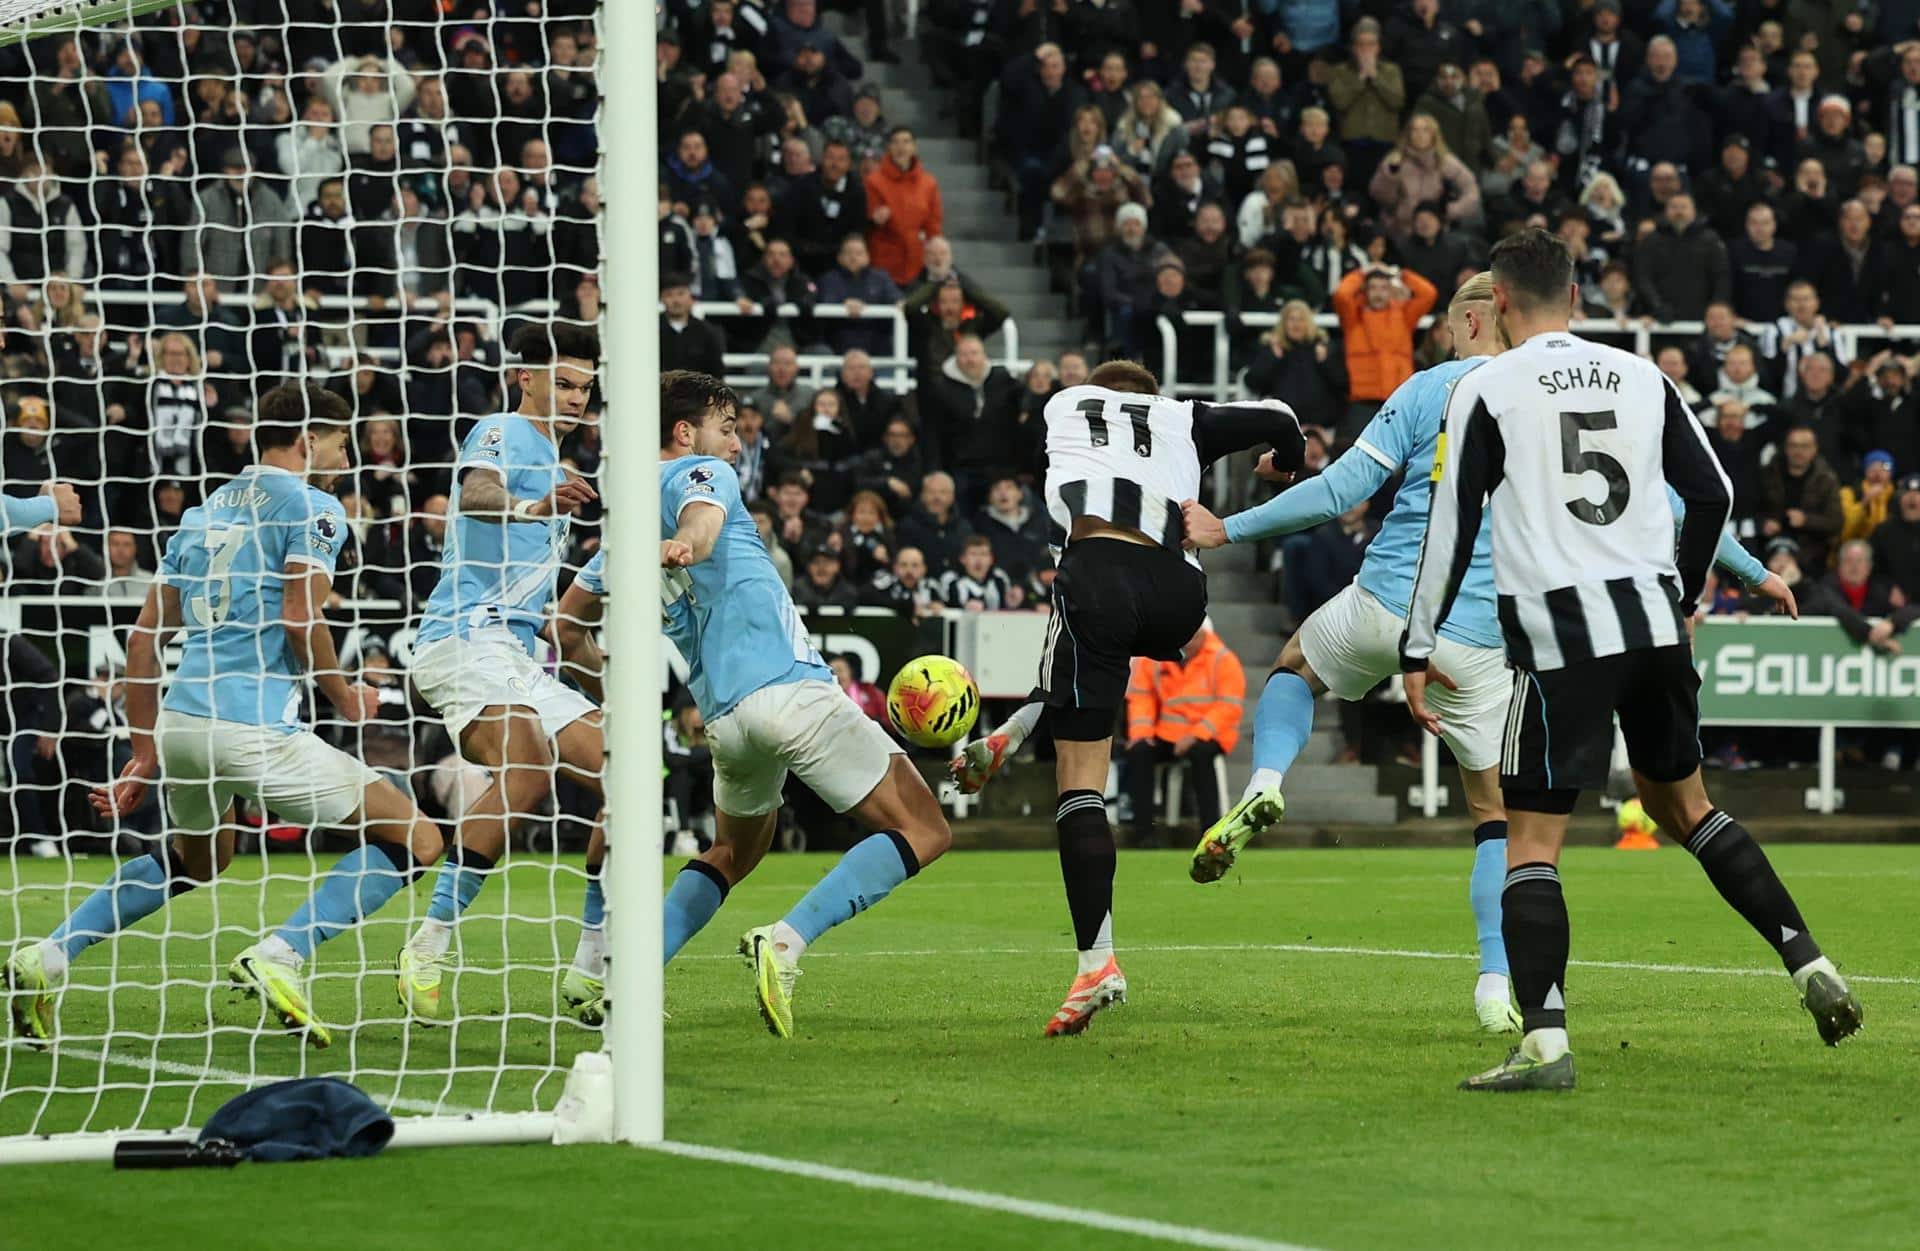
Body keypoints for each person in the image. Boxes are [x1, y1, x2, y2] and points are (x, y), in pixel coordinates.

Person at [1184, 273, 1784, 1033]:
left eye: (1448, 323)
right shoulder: (1558, 397)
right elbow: (1676, 503)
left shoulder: (1428, 388)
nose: (1444, 337)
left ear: (1475, 319)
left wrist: (1228, 527)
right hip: (1483, 640)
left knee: (1297, 663)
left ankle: (1267, 780)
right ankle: (1496, 985)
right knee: (1498, 821)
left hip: (1388, 603)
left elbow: (1339, 492)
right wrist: (1755, 573)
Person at [1400, 229, 1860, 1092]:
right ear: (1576, 297)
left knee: (1531, 843)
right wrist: (1684, 596)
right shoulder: (1642, 375)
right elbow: (1713, 493)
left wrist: (1416, 647)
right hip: (1652, 627)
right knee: (1686, 807)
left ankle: (1545, 1046)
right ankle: (1809, 960)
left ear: (1500, 302)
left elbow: (1451, 526)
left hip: (1560, 637)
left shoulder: (1485, 387)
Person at [8, 386, 443, 1050]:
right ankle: (281, 953)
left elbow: (142, 640)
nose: (347, 457)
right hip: (254, 728)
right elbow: (301, 617)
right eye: (341, 443)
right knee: (418, 837)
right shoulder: (314, 507)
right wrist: (344, 696)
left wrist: (145, 751)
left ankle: (49, 955)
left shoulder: (203, 511)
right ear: (308, 440)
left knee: (202, 858)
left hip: (184, 724)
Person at [559, 371, 953, 1038]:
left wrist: (609, 697)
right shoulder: (702, 473)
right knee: (926, 829)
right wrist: (689, 543)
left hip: (726, 720)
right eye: (727, 428)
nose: (736, 444)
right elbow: (702, 522)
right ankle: (786, 941)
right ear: (685, 432)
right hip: (788, 689)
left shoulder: (622, 525)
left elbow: (566, 628)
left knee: (732, 852)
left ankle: (627, 977)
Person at [950, 361, 1305, 1036]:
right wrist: (1282, 465)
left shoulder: (1062, 406)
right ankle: (1016, 730)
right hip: (1180, 596)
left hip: (1098, 572)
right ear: (1152, 397)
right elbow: (1283, 418)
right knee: (1093, 644)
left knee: (1081, 774)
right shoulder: (1183, 416)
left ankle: (1097, 963)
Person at [395, 325, 605, 1023]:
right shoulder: (501, 431)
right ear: (526, 378)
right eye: (563, 383)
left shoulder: (559, 462)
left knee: (628, 778)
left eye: (584, 387)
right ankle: (428, 945)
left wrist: (602, 674)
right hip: (461, 639)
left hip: (515, 652)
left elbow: (544, 613)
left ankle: (593, 966)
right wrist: (531, 506)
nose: (575, 398)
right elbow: (477, 491)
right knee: (527, 768)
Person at [1123, 624, 1244, 848]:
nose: (1186, 643)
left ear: (1204, 635)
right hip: (1167, 732)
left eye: (1192, 637)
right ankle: (1144, 834)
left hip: (1210, 734)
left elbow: (1228, 707)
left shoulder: (1223, 660)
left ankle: (1211, 833)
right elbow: (1141, 697)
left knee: (1201, 755)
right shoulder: (1155, 657)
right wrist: (1141, 734)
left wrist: (1196, 734)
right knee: (1139, 752)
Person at [1332, 262, 1438, 433]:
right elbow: (1342, 294)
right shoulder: (1353, 318)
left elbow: (1428, 293)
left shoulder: (1404, 315)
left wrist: (1401, 274)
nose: (1378, 293)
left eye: (1383, 288)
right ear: (1365, 291)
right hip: (1363, 402)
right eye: (1373, 288)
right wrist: (1362, 273)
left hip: (1398, 400)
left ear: (1391, 290)